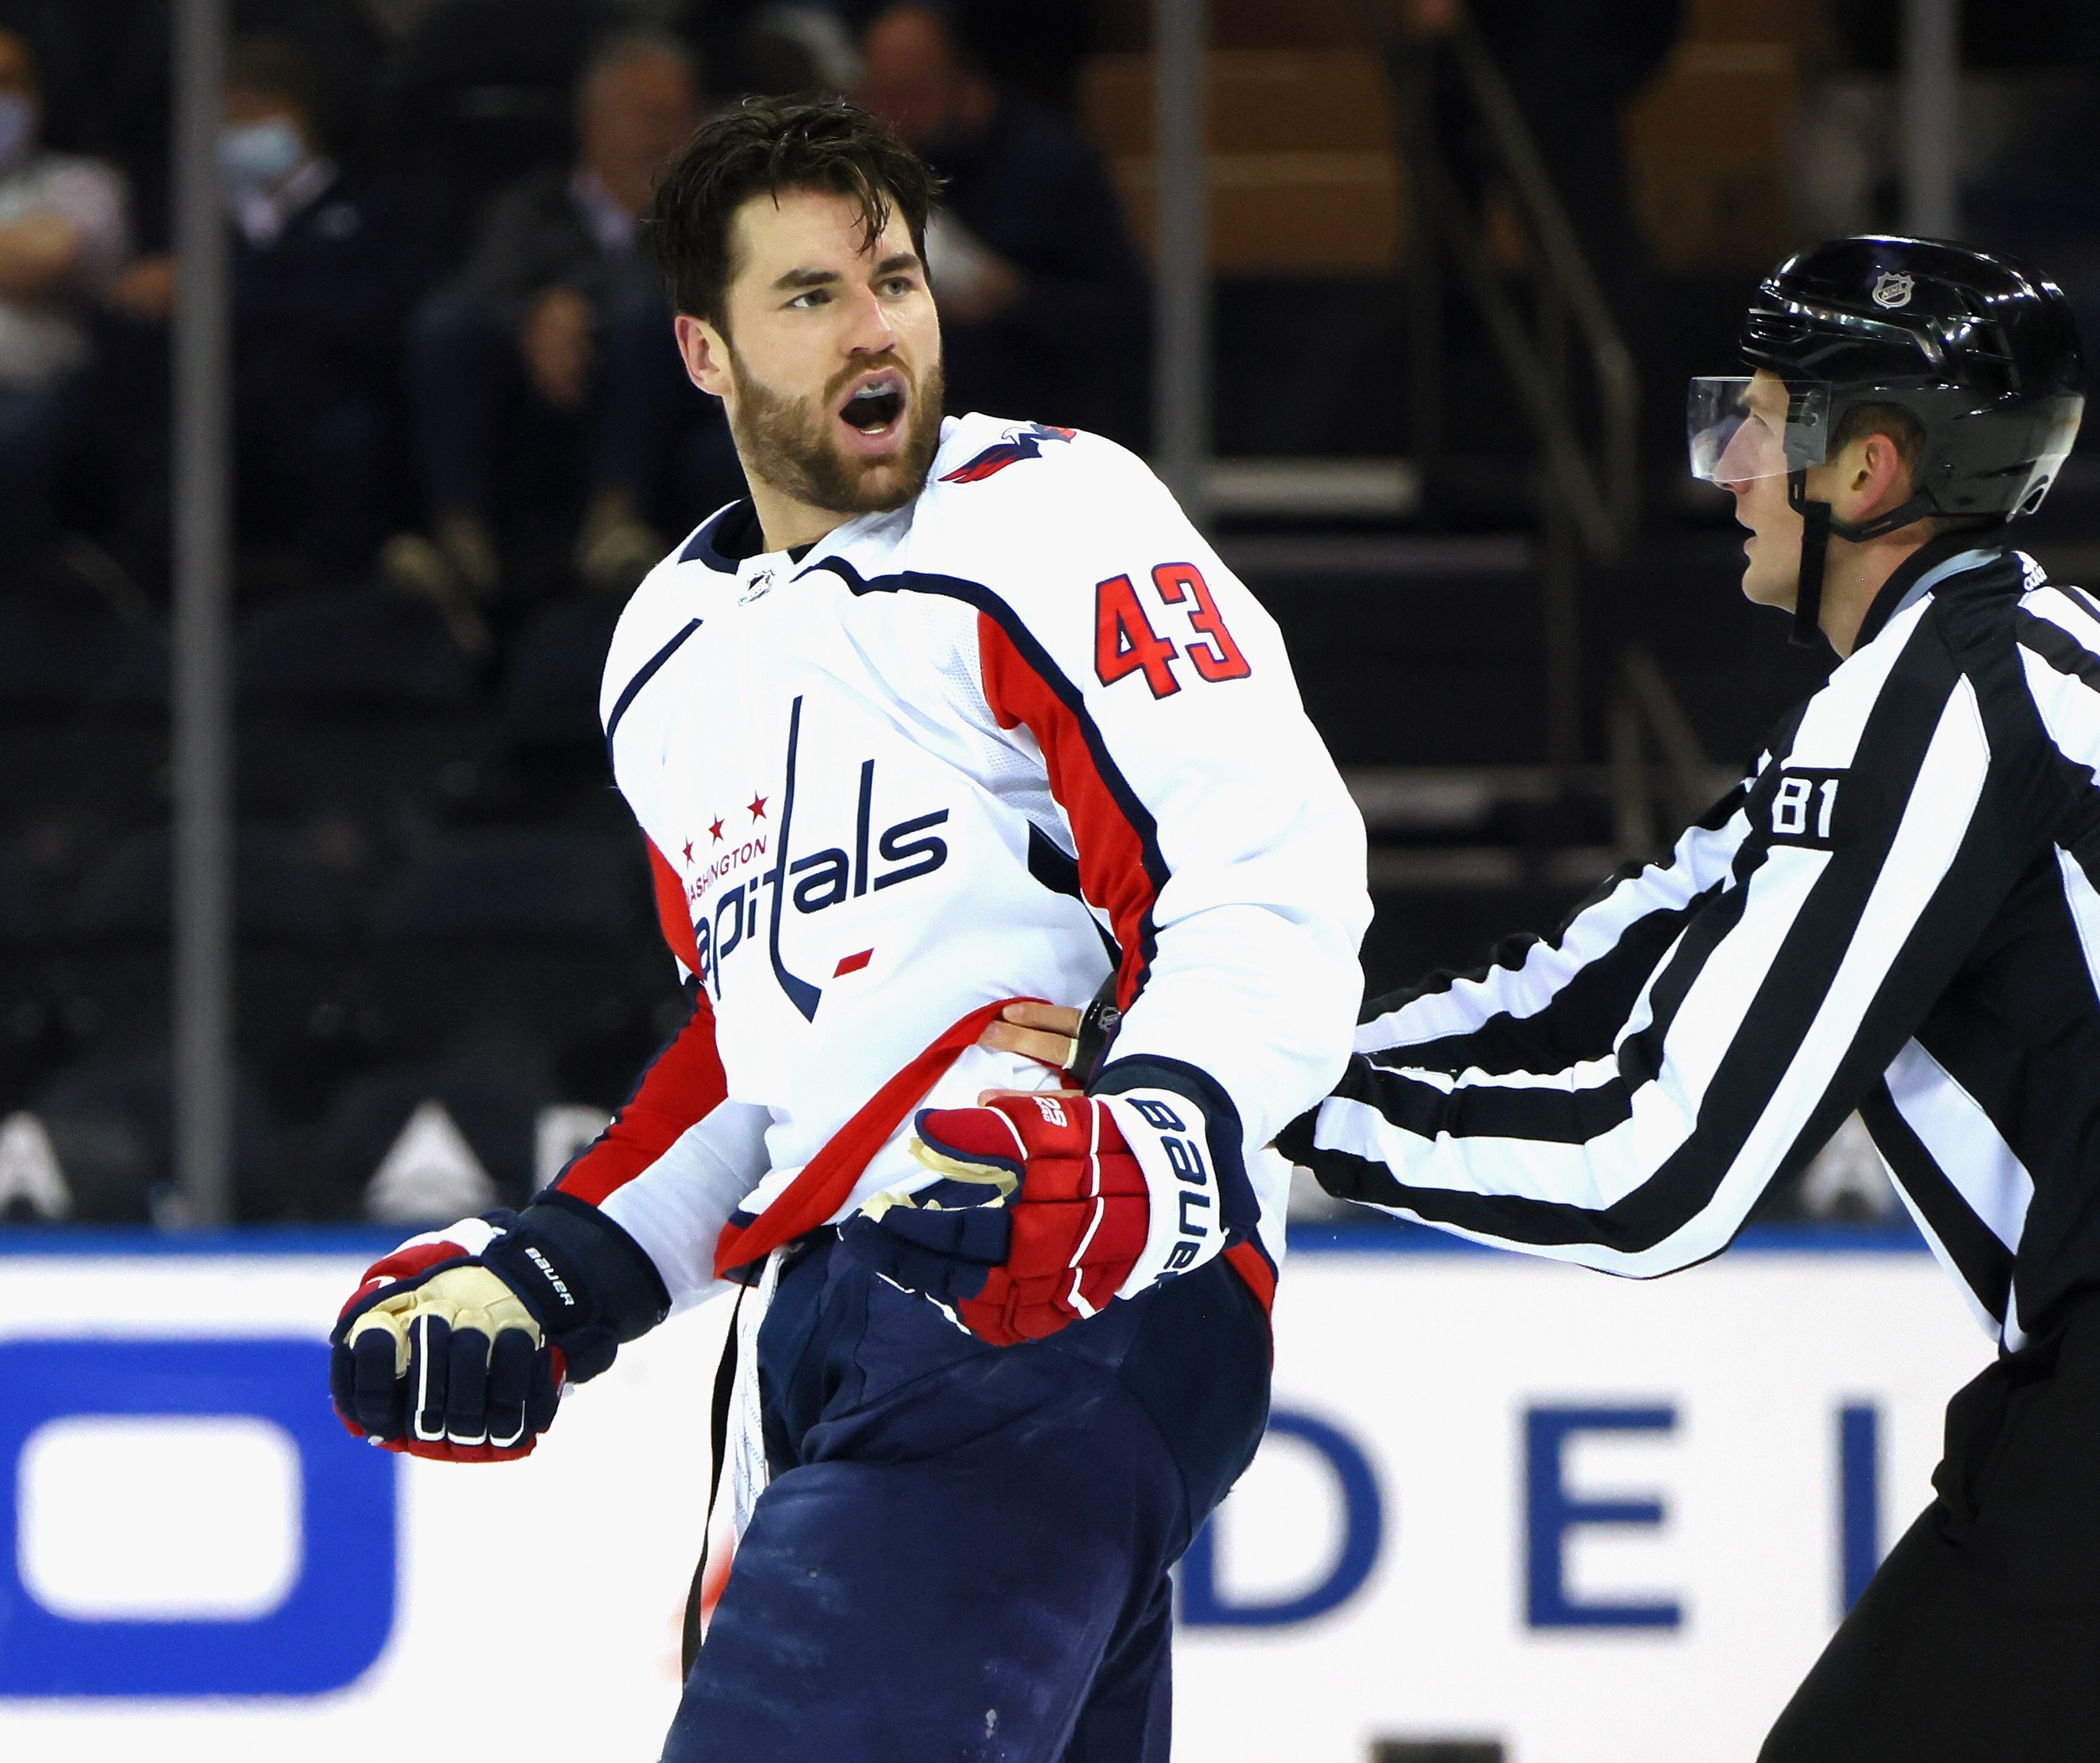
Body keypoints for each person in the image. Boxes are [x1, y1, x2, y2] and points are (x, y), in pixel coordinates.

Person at [1269, 238, 2100, 1759]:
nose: (1727, 468)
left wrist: (1276, 1110)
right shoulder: (2043, 649)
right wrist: (1254, 1049)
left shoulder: (1920, 706)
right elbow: (1596, 971)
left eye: (1756, 424)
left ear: (1866, 472)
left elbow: (1656, 1171)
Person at [322, 95, 1368, 1762]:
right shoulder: (664, 654)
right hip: (819, 1343)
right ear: (704, 353)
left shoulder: (1050, 516)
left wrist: (1160, 1139)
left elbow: (1264, 874)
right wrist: (556, 1276)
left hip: (1042, 1310)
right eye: (810, 295)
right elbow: (756, 1046)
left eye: (894, 274)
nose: (875, 324)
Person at [392, 30, 724, 618]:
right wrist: (535, 317)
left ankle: (616, 523)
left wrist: (577, 308)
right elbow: (480, 288)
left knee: (650, 320)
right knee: (444, 328)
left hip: (653, 389)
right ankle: (461, 540)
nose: (673, 136)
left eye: (681, 117)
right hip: (525, 392)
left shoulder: (702, 221)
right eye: (654, 116)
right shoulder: (527, 207)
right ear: (595, 125)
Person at [122, 34, 425, 591]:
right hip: (225, 406)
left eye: (252, 112)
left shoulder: (371, 210)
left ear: (298, 115)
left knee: (349, 442)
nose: (236, 131)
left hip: (327, 401)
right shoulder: (196, 221)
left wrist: (226, 292)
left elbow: (367, 315)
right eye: (226, 117)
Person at [859, 1, 1148, 438]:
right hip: (909, 426)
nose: (891, 117)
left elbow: (1125, 323)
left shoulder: (1052, 165)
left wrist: (1014, 298)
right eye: (879, 96)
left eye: (909, 94)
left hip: (1038, 424)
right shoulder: (876, 173)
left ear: (964, 80)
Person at [0, 22, 126, 587]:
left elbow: (46, 259)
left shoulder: (80, 183)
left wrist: (26, 256)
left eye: (7, 83)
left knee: (17, 440)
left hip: (39, 388)